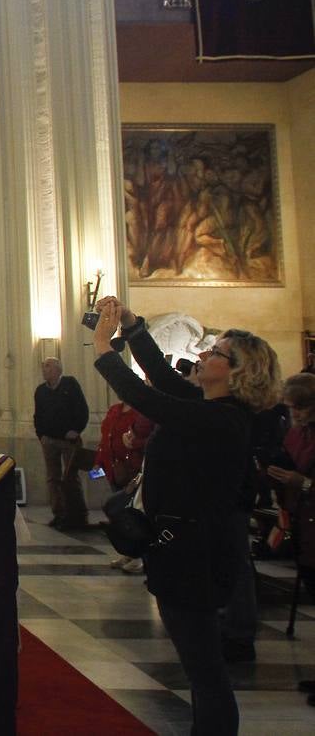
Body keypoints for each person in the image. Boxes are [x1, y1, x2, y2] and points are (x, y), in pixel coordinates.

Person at [92, 296, 280, 736]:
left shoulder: (223, 421)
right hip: (181, 549)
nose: (204, 353)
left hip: (197, 555)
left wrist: (105, 346)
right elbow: (158, 376)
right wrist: (134, 328)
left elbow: (143, 396)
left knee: (205, 670)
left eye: (216, 352)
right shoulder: (209, 407)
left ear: (238, 372)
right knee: (200, 666)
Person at [266, 373, 315, 706]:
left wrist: (305, 483)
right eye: (292, 408)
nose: (296, 415)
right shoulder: (297, 433)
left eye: (302, 408)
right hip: (304, 526)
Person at [95, 401, 152, 572]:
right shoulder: (115, 410)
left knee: (133, 513)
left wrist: (133, 444)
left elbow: (148, 435)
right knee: (119, 511)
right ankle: (129, 551)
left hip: (132, 467)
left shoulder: (141, 410)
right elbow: (106, 436)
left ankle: (140, 556)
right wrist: (99, 461)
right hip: (114, 468)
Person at [34, 357, 91, 529]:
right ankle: (59, 514)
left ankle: (78, 515)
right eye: (44, 367)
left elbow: (82, 409)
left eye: (48, 367)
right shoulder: (41, 391)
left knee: (71, 477)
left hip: (69, 440)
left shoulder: (70, 385)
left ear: (58, 369)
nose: (45, 370)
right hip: (49, 440)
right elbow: (38, 415)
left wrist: (76, 429)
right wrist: (41, 435)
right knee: (53, 478)